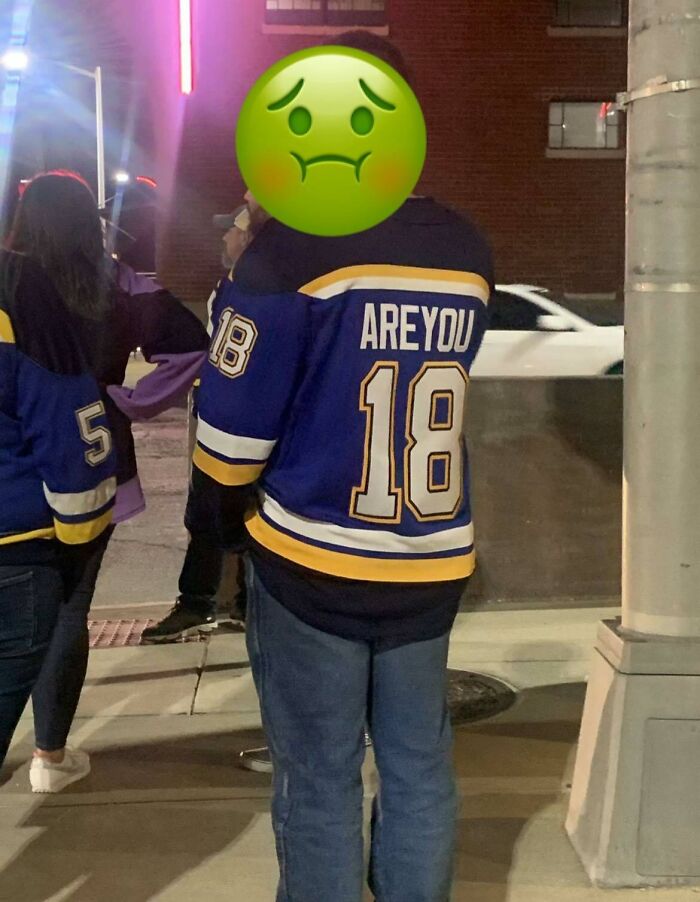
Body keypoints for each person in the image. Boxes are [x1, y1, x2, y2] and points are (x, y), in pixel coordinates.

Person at [188, 32, 494, 902]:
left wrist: (254, 243)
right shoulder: (466, 246)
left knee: (321, 777)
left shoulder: (288, 254)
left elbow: (229, 444)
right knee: (419, 768)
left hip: (314, 558)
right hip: (429, 557)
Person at [4, 171, 208, 790]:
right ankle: (49, 756)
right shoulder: (118, 283)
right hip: (96, 464)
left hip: (17, 471)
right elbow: (194, 346)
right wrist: (128, 401)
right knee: (69, 611)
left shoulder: (13, 286)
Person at [0, 247, 116, 782]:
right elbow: (68, 424)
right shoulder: (17, 283)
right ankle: (49, 754)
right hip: (13, 544)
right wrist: (78, 538)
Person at [142, 194, 269, 643]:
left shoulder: (262, 286)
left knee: (233, 515)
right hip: (222, 419)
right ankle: (213, 603)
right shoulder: (231, 283)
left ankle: (232, 605)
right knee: (206, 515)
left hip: (246, 426)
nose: (225, 235)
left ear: (252, 237)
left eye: (233, 228)